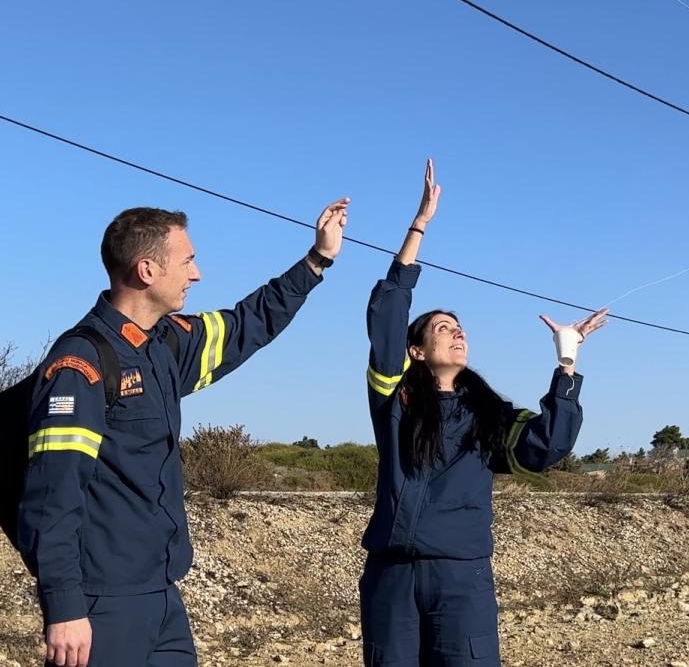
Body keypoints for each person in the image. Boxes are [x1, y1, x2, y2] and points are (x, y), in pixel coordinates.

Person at [19, 198, 349, 667]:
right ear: (148, 269)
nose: (196, 275)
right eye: (188, 261)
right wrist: (64, 605)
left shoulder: (165, 344)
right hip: (102, 606)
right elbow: (54, 494)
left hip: (163, 597)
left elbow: (246, 324)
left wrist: (317, 261)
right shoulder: (81, 363)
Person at [361, 160, 606, 666]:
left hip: (461, 577)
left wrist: (567, 361)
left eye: (460, 328)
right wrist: (420, 225)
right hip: (392, 575)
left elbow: (547, 448)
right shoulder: (394, 399)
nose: (457, 332)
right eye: (443, 327)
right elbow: (388, 311)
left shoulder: (488, 416)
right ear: (416, 352)